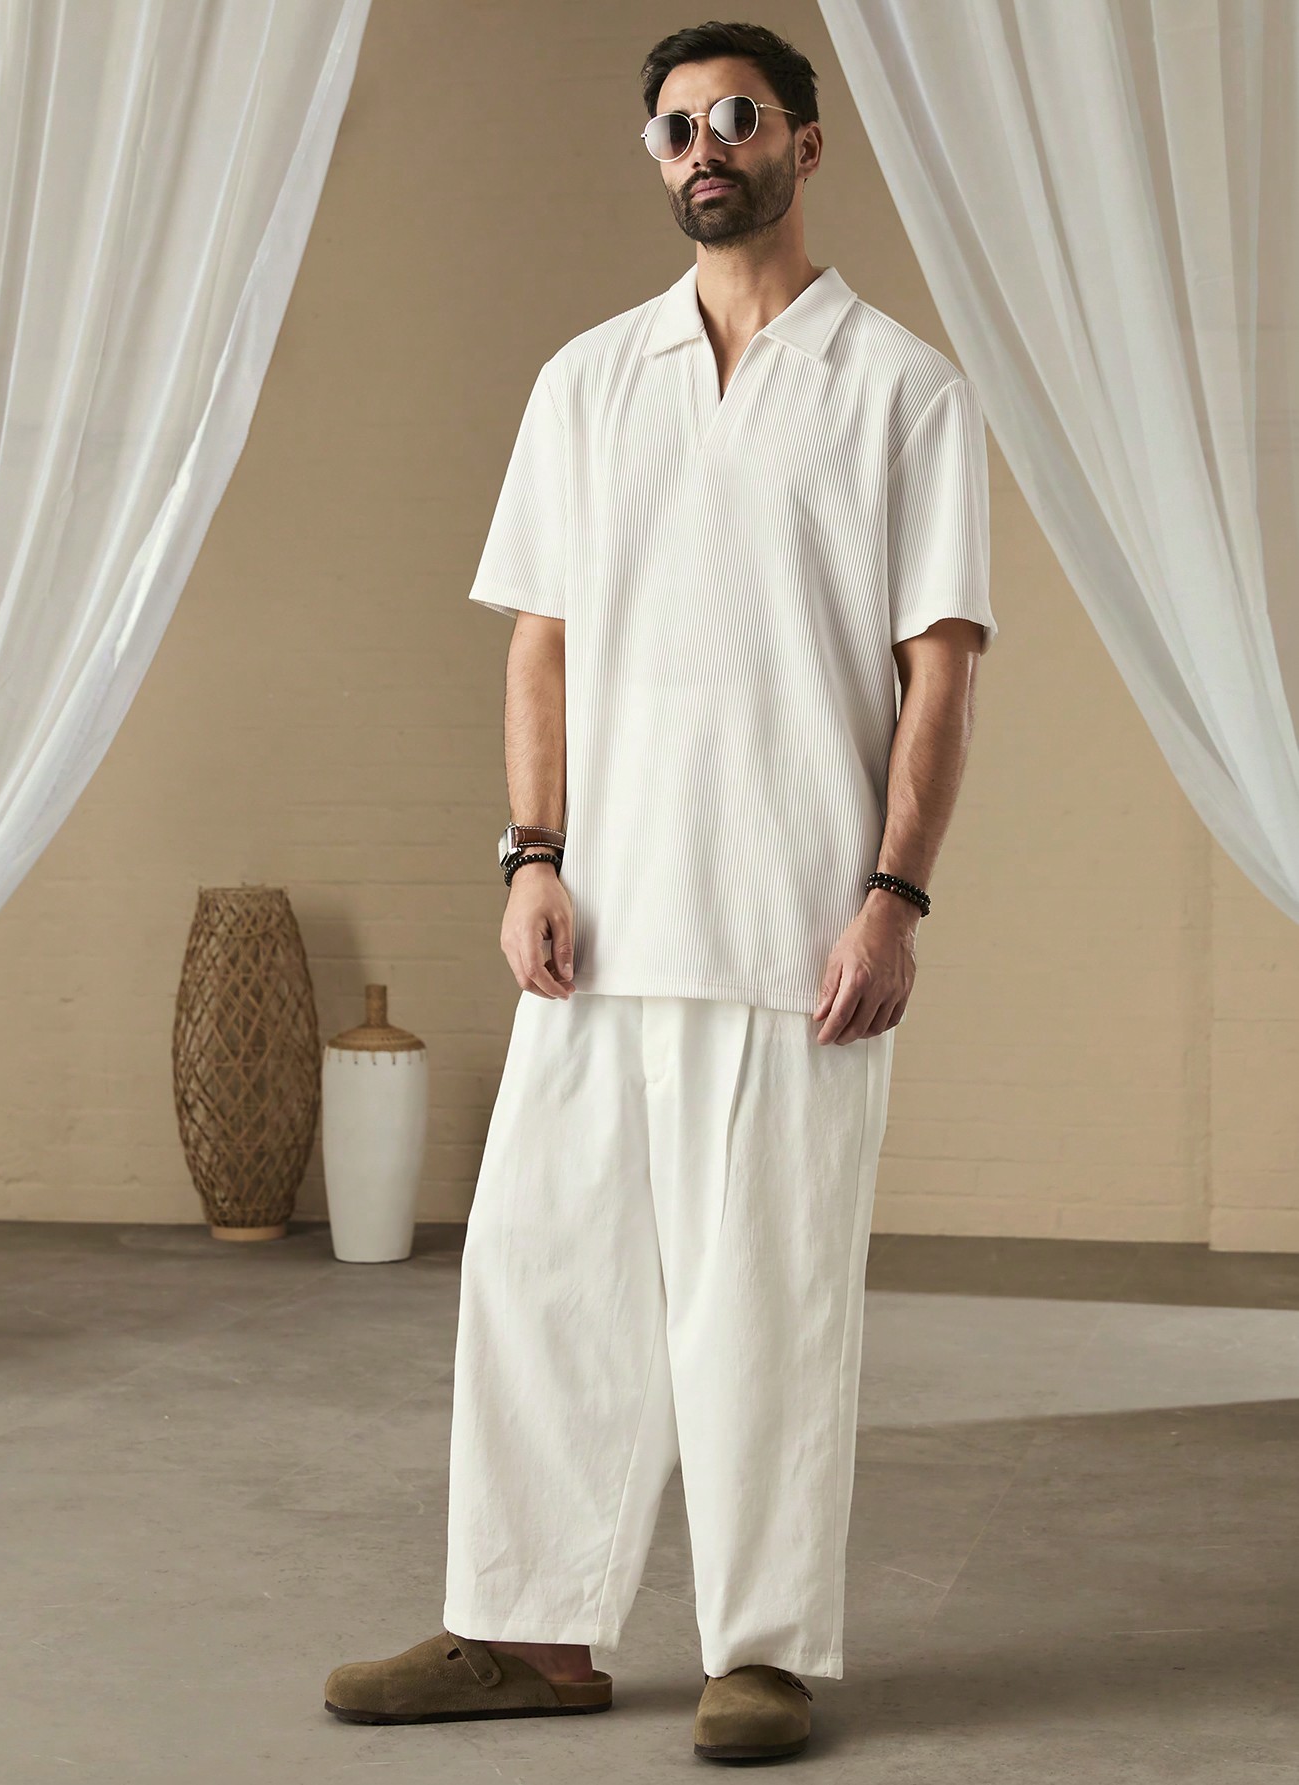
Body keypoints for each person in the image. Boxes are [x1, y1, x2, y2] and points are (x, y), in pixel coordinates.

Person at [324, 17, 997, 1764]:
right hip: (603, 926)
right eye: (679, 127)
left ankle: (759, 1651)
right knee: (540, 1280)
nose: (707, 147)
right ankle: (526, 1630)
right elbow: (540, 644)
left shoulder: (903, 391)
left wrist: (894, 899)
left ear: (805, 145)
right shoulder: (586, 382)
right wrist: (532, 854)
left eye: (739, 118)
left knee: (765, 1306)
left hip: (798, 936)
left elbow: (938, 675)